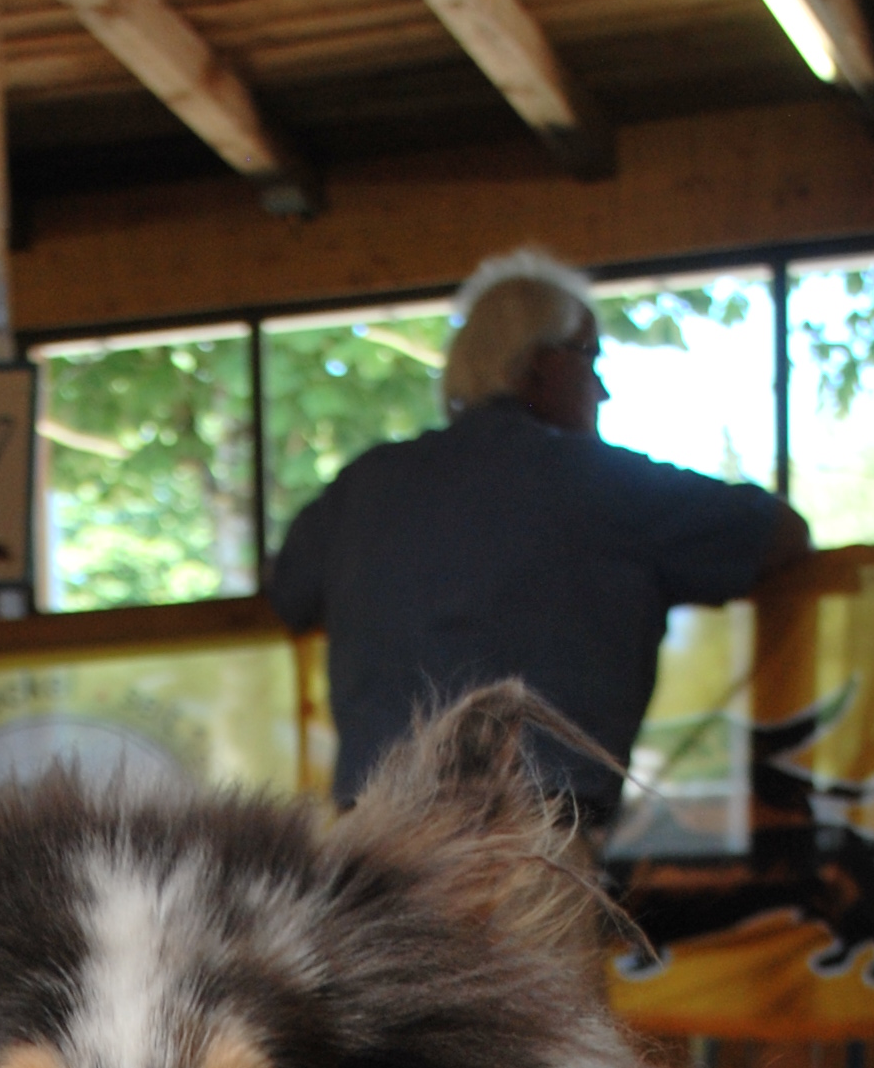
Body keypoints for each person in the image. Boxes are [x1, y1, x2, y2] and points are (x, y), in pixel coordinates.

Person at [269, 246, 810, 833]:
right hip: (534, 834)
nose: (601, 389)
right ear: (538, 363)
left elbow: (286, 593)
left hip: (376, 833)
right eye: (590, 358)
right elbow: (779, 532)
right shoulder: (607, 485)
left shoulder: (363, 485)